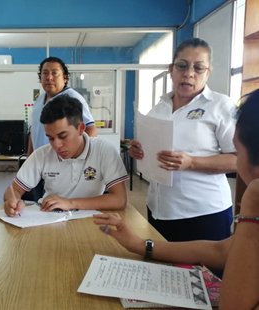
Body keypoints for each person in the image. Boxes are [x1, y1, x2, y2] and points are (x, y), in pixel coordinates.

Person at [94, 88, 259, 309]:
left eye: (237, 150)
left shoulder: (255, 197)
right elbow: (221, 251)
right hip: (163, 207)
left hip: (204, 210)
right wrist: (139, 244)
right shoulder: (160, 107)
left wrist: (253, 201)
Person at [129, 38, 237, 241]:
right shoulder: (159, 107)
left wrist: (192, 162)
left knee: (203, 272)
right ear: (171, 69)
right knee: (163, 270)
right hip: (158, 209)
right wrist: (139, 150)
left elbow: (240, 160)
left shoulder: (220, 106)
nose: (189, 73)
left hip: (203, 213)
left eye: (199, 68)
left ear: (208, 72)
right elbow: (151, 151)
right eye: (182, 66)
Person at [4, 95, 128, 217]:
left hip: (89, 221)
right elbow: (14, 190)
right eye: (50, 138)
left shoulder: (103, 151)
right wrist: (12, 202)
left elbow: (119, 200)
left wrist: (70, 203)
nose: (56, 145)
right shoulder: (42, 155)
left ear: (81, 129)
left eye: (63, 136)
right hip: (49, 219)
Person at [27, 56, 97, 154]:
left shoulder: (72, 97)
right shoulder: (39, 100)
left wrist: (78, 157)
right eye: (45, 73)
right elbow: (33, 133)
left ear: (65, 77)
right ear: (40, 78)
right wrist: (29, 158)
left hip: (63, 161)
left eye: (54, 73)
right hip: (41, 161)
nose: (49, 77)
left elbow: (90, 129)